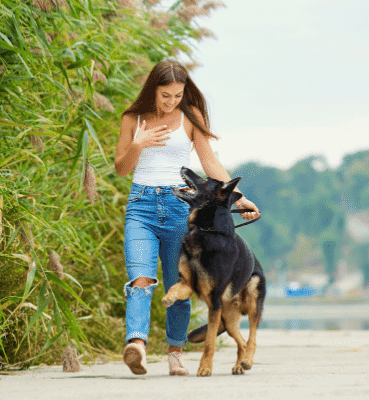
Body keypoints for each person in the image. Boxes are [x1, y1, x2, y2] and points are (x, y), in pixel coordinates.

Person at [114, 59, 260, 376]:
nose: (171, 102)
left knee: (181, 283)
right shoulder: (132, 119)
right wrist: (138, 144)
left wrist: (240, 196)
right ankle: (136, 344)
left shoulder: (190, 117)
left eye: (178, 95)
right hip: (141, 207)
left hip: (180, 209)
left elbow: (209, 163)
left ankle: (175, 353)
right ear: (153, 90)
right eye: (165, 95)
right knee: (140, 279)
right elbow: (121, 168)